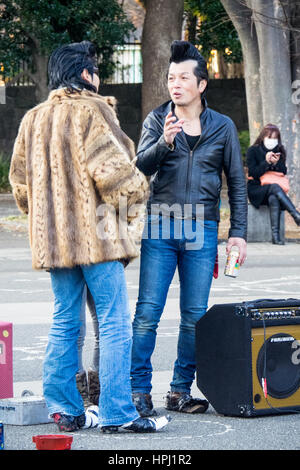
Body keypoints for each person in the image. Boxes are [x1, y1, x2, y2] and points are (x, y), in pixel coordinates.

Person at [9, 41, 170, 434]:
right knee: (115, 322)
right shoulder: (91, 112)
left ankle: (65, 410)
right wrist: (140, 190)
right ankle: (117, 413)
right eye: (95, 70)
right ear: (85, 74)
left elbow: (19, 186)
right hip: (98, 238)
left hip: (55, 242)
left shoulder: (32, 118)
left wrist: (50, 219)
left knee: (65, 321)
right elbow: (114, 176)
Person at [130, 40, 248, 417]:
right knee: (148, 311)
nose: (174, 84)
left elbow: (237, 183)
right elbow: (140, 168)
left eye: (183, 77)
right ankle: (137, 390)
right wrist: (164, 143)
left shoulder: (223, 127)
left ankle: (179, 390)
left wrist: (238, 233)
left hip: (202, 228)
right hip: (160, 226)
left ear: (201, 85)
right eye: (170, 77)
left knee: (195, 315)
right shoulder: (156, 120)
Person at [247, 123, 300, 245]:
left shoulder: (279, 151)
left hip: (272, 191)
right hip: (256, 189)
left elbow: (284, 171)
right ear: (263, 137)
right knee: (275, 188)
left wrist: (275, 163)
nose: (272, 141)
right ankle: (296, 215)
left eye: (275, 138)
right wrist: (266, 162)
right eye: (270, 138)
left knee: (273, 197)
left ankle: (276, 237)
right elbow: (254, 173)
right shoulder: (253, 150)